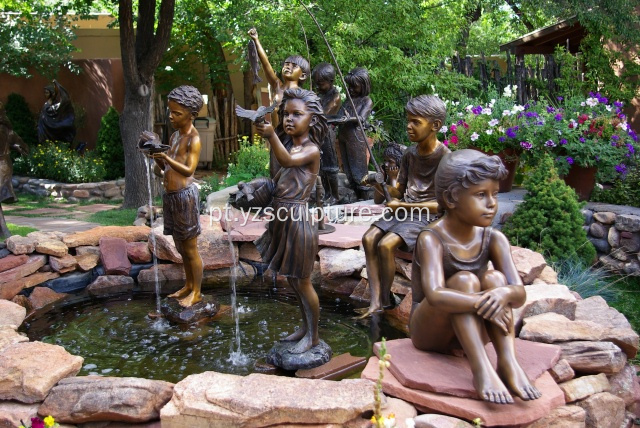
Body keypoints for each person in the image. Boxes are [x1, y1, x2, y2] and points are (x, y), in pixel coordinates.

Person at [410, 149, 541, 405]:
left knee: (496, 281)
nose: (492, 203)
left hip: (472, 328)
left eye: (494, 194)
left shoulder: (494, 238)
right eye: (481, 195)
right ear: (451, 198)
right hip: (429, 332)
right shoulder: (431, 238)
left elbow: (519, 293)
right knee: (465, 281)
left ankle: (507, 362)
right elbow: (435, 295)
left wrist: (501, 294)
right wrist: (484, 301)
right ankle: (481, 368)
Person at [359, 95, 449, 318]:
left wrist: (403, 205)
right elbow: (398, 190)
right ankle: (376, 301)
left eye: (415, 122)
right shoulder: (409, 153)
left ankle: (385, 300)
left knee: (386, 244)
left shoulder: (445, 158)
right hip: (405, 210)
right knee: (369, 238)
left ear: (435, 125)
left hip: (425, 215)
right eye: (408, 120)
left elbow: (441, 204)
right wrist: (381, 181)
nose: (409, 126)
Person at [254, 87, 326, 354]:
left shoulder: (311, 150)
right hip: (283, 218)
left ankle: (314, 336)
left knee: (303, 280)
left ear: (312, 120)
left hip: (298, 221)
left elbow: (287, 160)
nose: (288, 119)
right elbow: (278, 175)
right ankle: (305, 328)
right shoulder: (289, 145)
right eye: (285, 114)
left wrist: (271, 134)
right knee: (294, 281)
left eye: (297, 114)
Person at [148, 85, 204, 308]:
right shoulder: (173, 136)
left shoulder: (194, 138)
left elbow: (189, 169)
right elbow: (164, 169)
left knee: (190, 249)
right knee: (180, 248)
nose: (170, 116)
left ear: (191, 115)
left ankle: (197, 292)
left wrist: (166, 158)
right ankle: (188, 286)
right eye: (169, 111)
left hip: (185, 197)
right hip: (171, 197)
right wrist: (155, 157)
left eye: (176, 113)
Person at [247, 28, 310, 178]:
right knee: (275, 173)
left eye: (294, 66)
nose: (288, 67)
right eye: (286, 64)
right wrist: (256, 40)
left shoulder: (303, 96)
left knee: (291, 174)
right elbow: (266, 65)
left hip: (294, 139)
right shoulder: (278, 87)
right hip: (276, 135)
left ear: (303, 75)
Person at [331, 67, 373, 201]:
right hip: (344, 137)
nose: (351, 90)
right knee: (348, 169)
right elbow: (338, 115)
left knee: (358, 169)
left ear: (364, 86)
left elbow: (361, 118)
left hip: (356, 138)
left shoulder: (366, 101)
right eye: (349, 87)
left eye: (354, 87)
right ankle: (354, 194)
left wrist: (348, 119)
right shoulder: (348, 101)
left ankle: (364, 196)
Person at [311, 62, 341, 205]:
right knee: (322, 166)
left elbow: (323, 114)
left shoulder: (335, 96)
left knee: (331, 165)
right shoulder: (319, 95)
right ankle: (327, 193)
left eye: (321, 84)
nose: (318, 87)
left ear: (330, 81)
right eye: (316, 84)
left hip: (327, 133)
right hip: (318, 133)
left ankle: (335, 195)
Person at [0, 102, 28, 237]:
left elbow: (23, 147)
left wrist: (16, 146)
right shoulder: (8, 130)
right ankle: (3, 230)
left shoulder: (5, 130)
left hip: (2, 166)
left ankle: (5, 231)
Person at [37, 80, 76, 144]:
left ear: (51, 94)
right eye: (45, 92)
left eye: (47, 92)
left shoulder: (54, 106)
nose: (45, 94)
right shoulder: (47, 104)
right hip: (42, 127)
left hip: (48, 129)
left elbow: (57, 95)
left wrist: (56, 84)